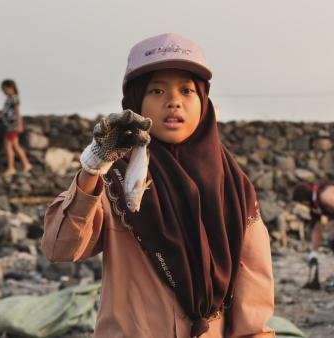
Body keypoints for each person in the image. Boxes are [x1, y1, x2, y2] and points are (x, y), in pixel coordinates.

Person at [42, 33, 275, 337]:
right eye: (157, 90)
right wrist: (93, 166)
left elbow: (253, 316)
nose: (173, 101)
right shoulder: (115, 180)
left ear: (204, 102)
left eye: (187, 90)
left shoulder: (233, 190)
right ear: (136, 101)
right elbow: (59, 247)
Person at [0, 79, 32, 177]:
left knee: (8, 146)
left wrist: (19, 125)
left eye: (4, 89)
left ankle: (11, 167)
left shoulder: (14, 98)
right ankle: (26, 164)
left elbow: (18, 112)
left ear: (10, 88)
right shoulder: (10, 98)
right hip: (10, 126)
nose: (3, 91)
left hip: (12, 126)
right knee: (15, 146)